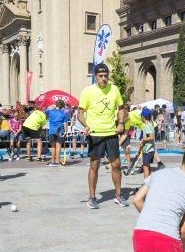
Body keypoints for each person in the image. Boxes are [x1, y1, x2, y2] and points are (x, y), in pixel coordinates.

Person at [78, 62, 128, 209]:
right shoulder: (88, 91)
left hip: (111, 133)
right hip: (95, 134)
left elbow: (121, 108)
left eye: (106, 75)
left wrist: (121, 123)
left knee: (116, 165)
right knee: (95, 166)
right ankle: (92, 198)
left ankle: (118, 195)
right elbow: (80, 113)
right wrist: (86, 125)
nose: (104, 78)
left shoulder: (114, 89)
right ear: (95, 76)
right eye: (100, 76)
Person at [46, 99, 70, 167]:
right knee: (58, 146)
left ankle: (53, 161)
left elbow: (45, 111)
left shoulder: (50, 111)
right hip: (60, 131)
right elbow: (66, 123)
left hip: (52, 131)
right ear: (62, 106)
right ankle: (57, 161)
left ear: (56, 104)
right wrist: (66, 132)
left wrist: (52, 106)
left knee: (53, 146)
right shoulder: (64, 113)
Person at [138, 107, 156, 178]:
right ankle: (150, 183)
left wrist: (143, 140)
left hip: (148, 150)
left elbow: (151, 137)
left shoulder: (147, 126)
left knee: (145, 167)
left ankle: (146, 184)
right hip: (150, 150)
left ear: (143, 117)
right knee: (148, 167)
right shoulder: (150, 125)